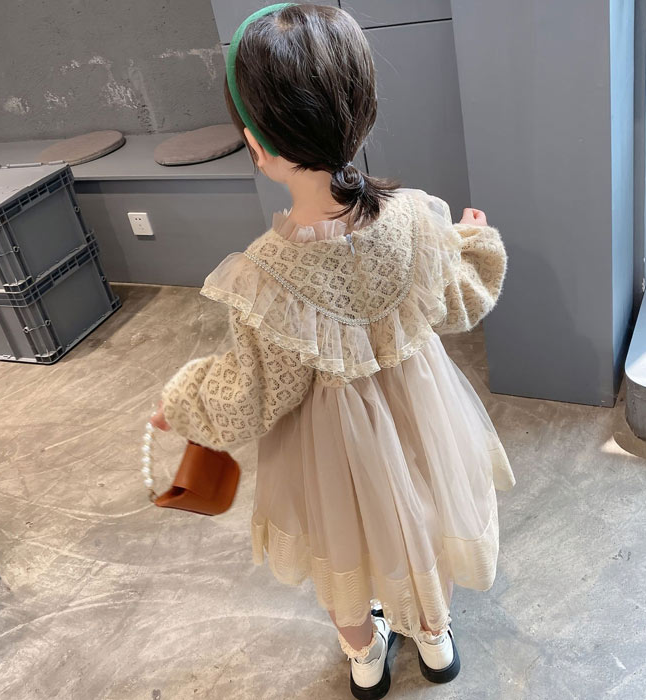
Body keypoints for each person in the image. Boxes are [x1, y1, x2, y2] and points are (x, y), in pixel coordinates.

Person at [150, 4, 515, 698]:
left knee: (341, 546)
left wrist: (182, 404)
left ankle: (364, 656)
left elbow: (253, 394)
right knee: (421, 521)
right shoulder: (414, 217)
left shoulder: (266, 275)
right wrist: (470, 236)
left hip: (329, 450)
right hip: (422, 419)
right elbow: (461, 299)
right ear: (361, 114)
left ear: (256, 145)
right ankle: (434, 640)